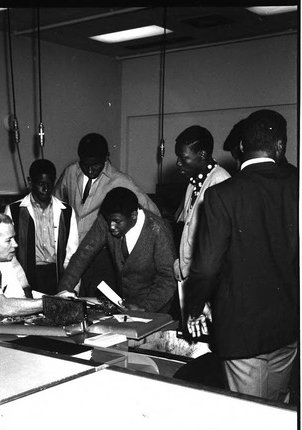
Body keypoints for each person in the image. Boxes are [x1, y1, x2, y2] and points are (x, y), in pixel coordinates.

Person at [186, 109, 298, 402]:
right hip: (288, 329)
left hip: (242, 335)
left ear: (240, 148)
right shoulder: (296, 183)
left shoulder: (223, 194)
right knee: (277, 410)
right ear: (280, 146)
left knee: (250, 421)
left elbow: (207, 267)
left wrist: (194, 308)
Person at [54, 132, 160, 296]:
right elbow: (56, 202)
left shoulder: (120, 181)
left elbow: (152, 212)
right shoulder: (70, 172)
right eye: (85, 164)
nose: (90, 170)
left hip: (101, 255)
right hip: (72, 251)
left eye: (95, 165)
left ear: (106, 158)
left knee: (97, 301)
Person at [57, 187, 176, 313]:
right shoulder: (109, 219)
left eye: (117, 222)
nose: (111, 226)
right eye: (109, 221)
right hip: (126, 306)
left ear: (134, 215)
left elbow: (168, 279)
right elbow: (83, 255)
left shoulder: (158, 231)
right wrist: (63, 292)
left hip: (155, 309)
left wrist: (145, 307)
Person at [174, 126, 230, 325]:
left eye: (184, 158)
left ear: (203, 154)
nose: (179, 163)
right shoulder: (193, 182)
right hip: (192, 280)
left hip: (209, 287)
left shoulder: (220, 182)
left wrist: (203, 295)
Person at [4, 159, 78, 295]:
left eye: (50, 184)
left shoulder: (66, 211)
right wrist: (21, 283)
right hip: (27, 274)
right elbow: (9, 254)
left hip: (56, 275)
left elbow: (71, 253)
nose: (46, 189)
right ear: (30, 182)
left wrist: (69, 284)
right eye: (41, 184)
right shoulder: (14, 210)